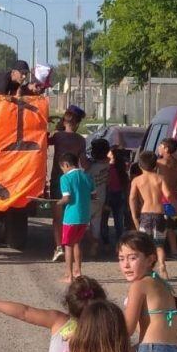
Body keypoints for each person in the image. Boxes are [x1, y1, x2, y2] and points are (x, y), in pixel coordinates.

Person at [129, 151, 177, 278]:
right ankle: (162, 265)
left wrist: (134, 215)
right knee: (159, 244)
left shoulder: (137, 180)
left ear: (140, 166)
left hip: (145, 214)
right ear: (155, 166)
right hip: (159, 214)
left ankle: (145, 269)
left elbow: (132, 198)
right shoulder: (160, 179)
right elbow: (167, 195)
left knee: (144, 245)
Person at [49, 109, 88, 262]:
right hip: (74, 180)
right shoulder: (80, 140)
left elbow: (41, 140)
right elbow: (84, 163)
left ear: (64, 121)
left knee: (57, 216)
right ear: (77, 123)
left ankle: (59, 247)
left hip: (58, 179)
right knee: (72, 214)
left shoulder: (57, 136)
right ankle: (71, 244)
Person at [57, 152, 94, 283]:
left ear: (66, 165)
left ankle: (68, 275)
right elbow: (93, 195)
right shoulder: (86, 176)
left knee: (68, 245)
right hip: (84, 216)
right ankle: (78, 272)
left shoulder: (65, 178)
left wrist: (57, 202)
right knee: (77, 243)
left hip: (71, 216)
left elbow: (67, 198)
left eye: (62, 168)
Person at [101, 146, 130, 253]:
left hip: (108, 196)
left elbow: (106, 184)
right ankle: (120, 244)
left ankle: (106, 243)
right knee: (119, 222)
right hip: (120, 196)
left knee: (104, 221)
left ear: (112, 155)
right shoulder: (122, 168)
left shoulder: (108, 168)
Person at [157, 137, 177, 260]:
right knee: (170, 227)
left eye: (160, 146)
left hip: (163, 198)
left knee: (160, 227)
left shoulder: (160, 163)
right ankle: (175, 252)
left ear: (166, 149)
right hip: (173, 198)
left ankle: (159, 253)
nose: (158, 148)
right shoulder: (175, 163)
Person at [86, 139, 110, 257]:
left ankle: (93, 243)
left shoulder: (92, 168)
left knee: (84, 224)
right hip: (102, 197)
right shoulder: (108, 165)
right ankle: (95, 244)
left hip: (90, 199)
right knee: (96, 222)